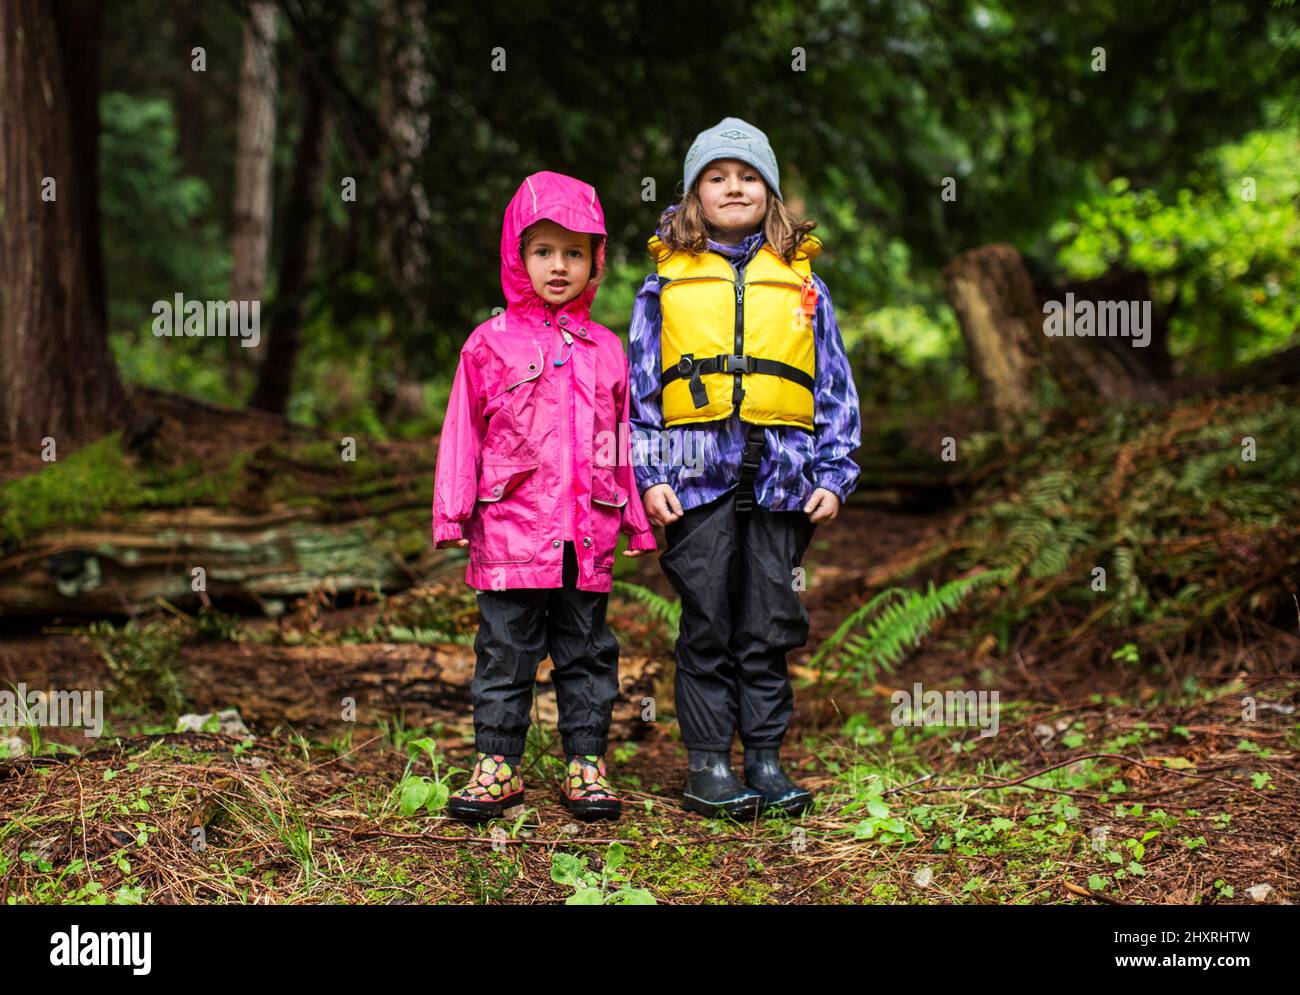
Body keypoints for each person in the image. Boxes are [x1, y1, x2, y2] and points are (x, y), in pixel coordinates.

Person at [629, 118, 861, 817]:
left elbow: (833, 386)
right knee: (706, 623)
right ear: (694, 194)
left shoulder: (802, 285)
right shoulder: (660, 286)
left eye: (748, 175)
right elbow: (640, 392)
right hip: (694, 479)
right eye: (717, 176)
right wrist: (650, 473)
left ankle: (763, 757)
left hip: (783, 481)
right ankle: (708, 766)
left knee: (767, 622)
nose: (734, 187)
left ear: (771, 192)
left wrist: (834, 473)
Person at [433, 171, 656, 821]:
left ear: (596, 261)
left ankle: (585, 761)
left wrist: (636, 522)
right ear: (517, 255)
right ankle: (497, 762)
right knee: (505, 652)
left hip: (586, 535)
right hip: (510, 534)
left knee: (587, 651)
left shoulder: (607, 349)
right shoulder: (489, 342)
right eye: (543, 251)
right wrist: (453, 511)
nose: (559, 266)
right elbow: (461, 432)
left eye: (574, 252)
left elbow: (623, 441)